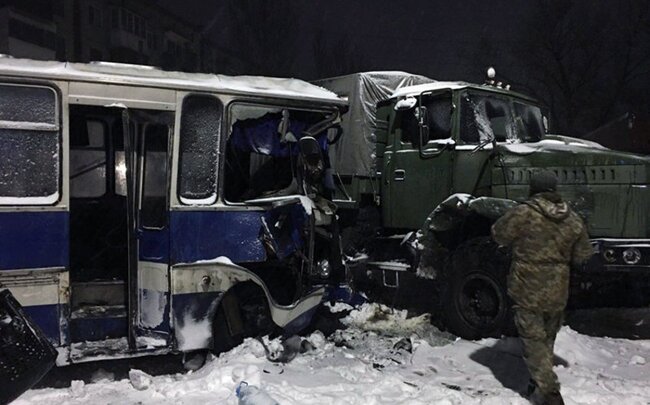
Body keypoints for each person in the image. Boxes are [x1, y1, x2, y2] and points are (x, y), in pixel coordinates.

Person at [491, 169, 593, 405]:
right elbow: (583, 255)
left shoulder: (524, 213)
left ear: (533, 188)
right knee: (547, 339)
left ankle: (550, 393)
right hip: (558, 289)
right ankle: (538, 382)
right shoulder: (573, 218)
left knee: (533, 341)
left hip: (528, 287)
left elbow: (498, 234)